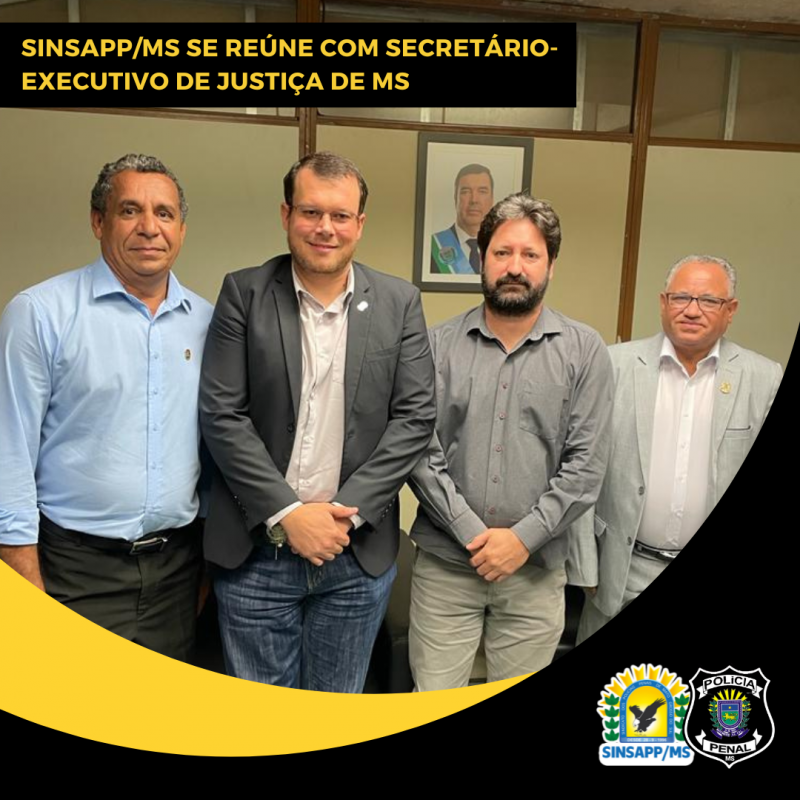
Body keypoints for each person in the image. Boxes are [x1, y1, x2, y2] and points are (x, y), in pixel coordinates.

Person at [199, 151, 436, 693]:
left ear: (360, 223)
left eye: (340, 215)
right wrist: (289, 513)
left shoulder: (400, 302)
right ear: (286, 215)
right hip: (257, 552)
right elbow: (222, 414)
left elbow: (415, 418)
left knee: (337, 711)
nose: (325, 228)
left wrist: (342, 518)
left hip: (355, 554)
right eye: (311, 212)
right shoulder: (244, 293)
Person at [0, 154, 213, 661]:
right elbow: (9, 453)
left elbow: (215, 452)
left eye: (164, 213)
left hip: (176, 572)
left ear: (181, 230)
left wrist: (205, 569)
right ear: (99, 221)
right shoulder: (40, 314)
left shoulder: (207, 323)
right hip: (72, 570)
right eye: (129, 210)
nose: (149, 228)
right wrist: (23, 576)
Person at [409, 193, 614, 689]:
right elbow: (418, 451)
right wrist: (471, 533)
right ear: (482, 258)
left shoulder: (585, 351)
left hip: (535, 574)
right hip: (446, 570)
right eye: (502, 252)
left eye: (530, 254)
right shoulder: (436, 346)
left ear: (551, 265)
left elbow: (586, 465)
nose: (515, 267)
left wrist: (521, 539)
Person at [575, 255, 783, 643]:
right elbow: (580, 466)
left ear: (731, 310)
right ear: (663, 302)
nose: (691, 310)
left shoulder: (764, 379)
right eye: (681, 297)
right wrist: (586, 565)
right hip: (622, 572)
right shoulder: (613, 365)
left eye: (708, 300)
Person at [430, 164, 494, 275]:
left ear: (492, 199)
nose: (474, 200)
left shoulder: (505, 249)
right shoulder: (432, 248)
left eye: (482, 191)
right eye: (466, 192)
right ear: (455, 198)